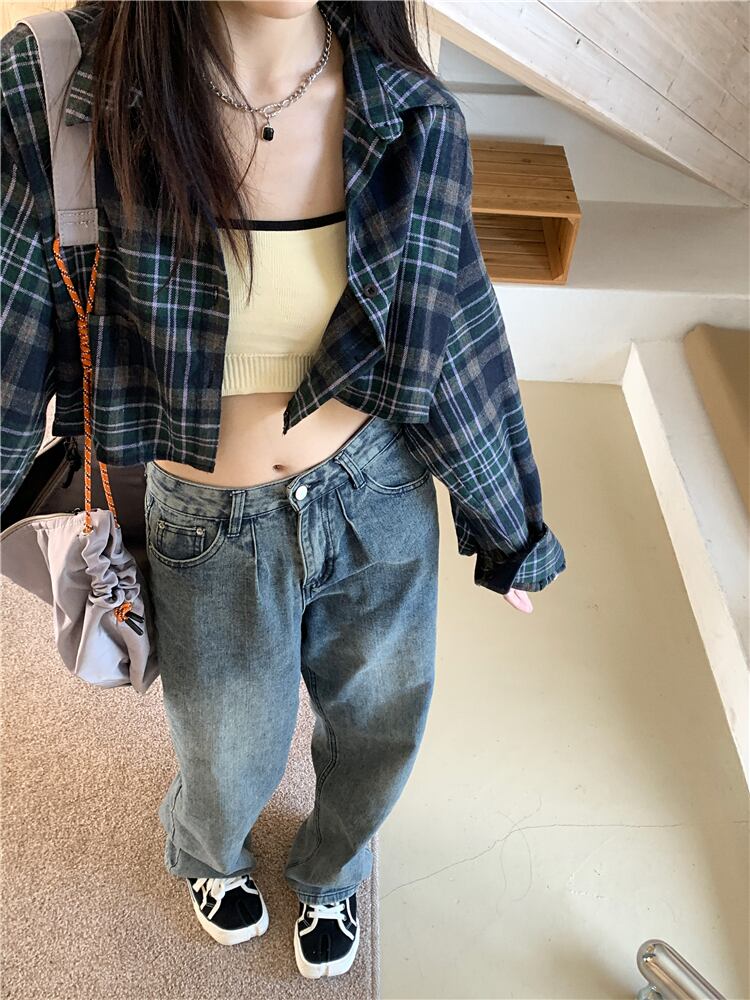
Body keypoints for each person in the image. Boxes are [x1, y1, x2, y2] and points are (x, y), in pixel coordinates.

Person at [0, 0, 567, 980]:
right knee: (228, 748)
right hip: (205, 522)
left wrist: (506, 522)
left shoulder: (409, 113)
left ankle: (335, 868)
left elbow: (455, 333)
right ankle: (206, 853)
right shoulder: (59, 84)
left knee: (381, 725)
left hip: (377, 496)